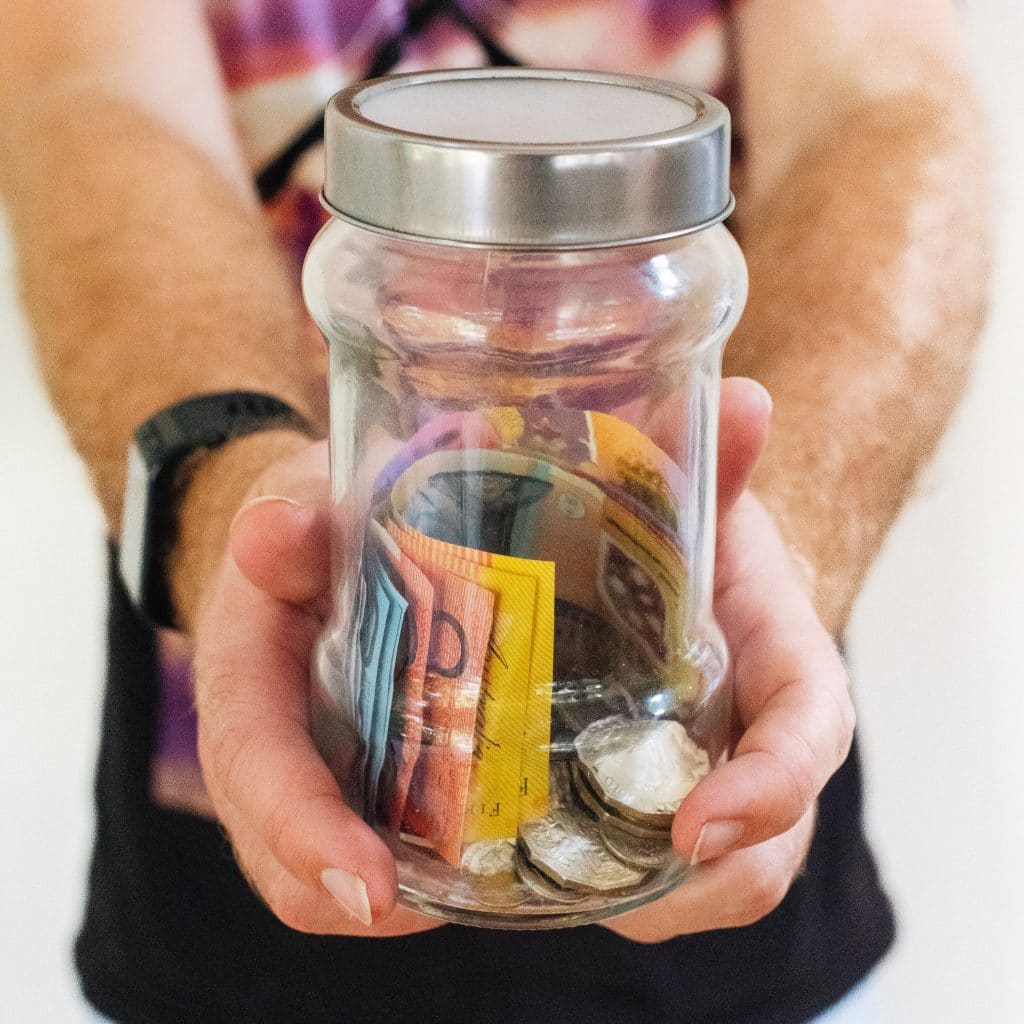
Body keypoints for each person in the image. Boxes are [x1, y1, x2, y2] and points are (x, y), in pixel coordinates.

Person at [0, 1, 991, 1022]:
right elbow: (94, 92)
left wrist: (762, 549)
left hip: (727, 812)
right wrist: (224, 508)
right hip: (244, 787)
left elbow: (877, 94)